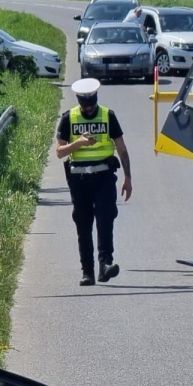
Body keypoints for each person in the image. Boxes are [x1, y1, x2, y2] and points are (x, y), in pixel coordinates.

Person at [56, 78, 132, 286]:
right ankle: (87, 272)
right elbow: (59, 152)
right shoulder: (68, 118)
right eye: (85, 105)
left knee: (105, 220)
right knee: (83, 223)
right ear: (79, 101)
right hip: (79, 180)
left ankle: (105, 265)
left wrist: (128, 178)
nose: (88, 109)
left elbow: (122, 149)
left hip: (104, 177)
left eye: (91, 105)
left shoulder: (108, 116)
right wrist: (79, 142)